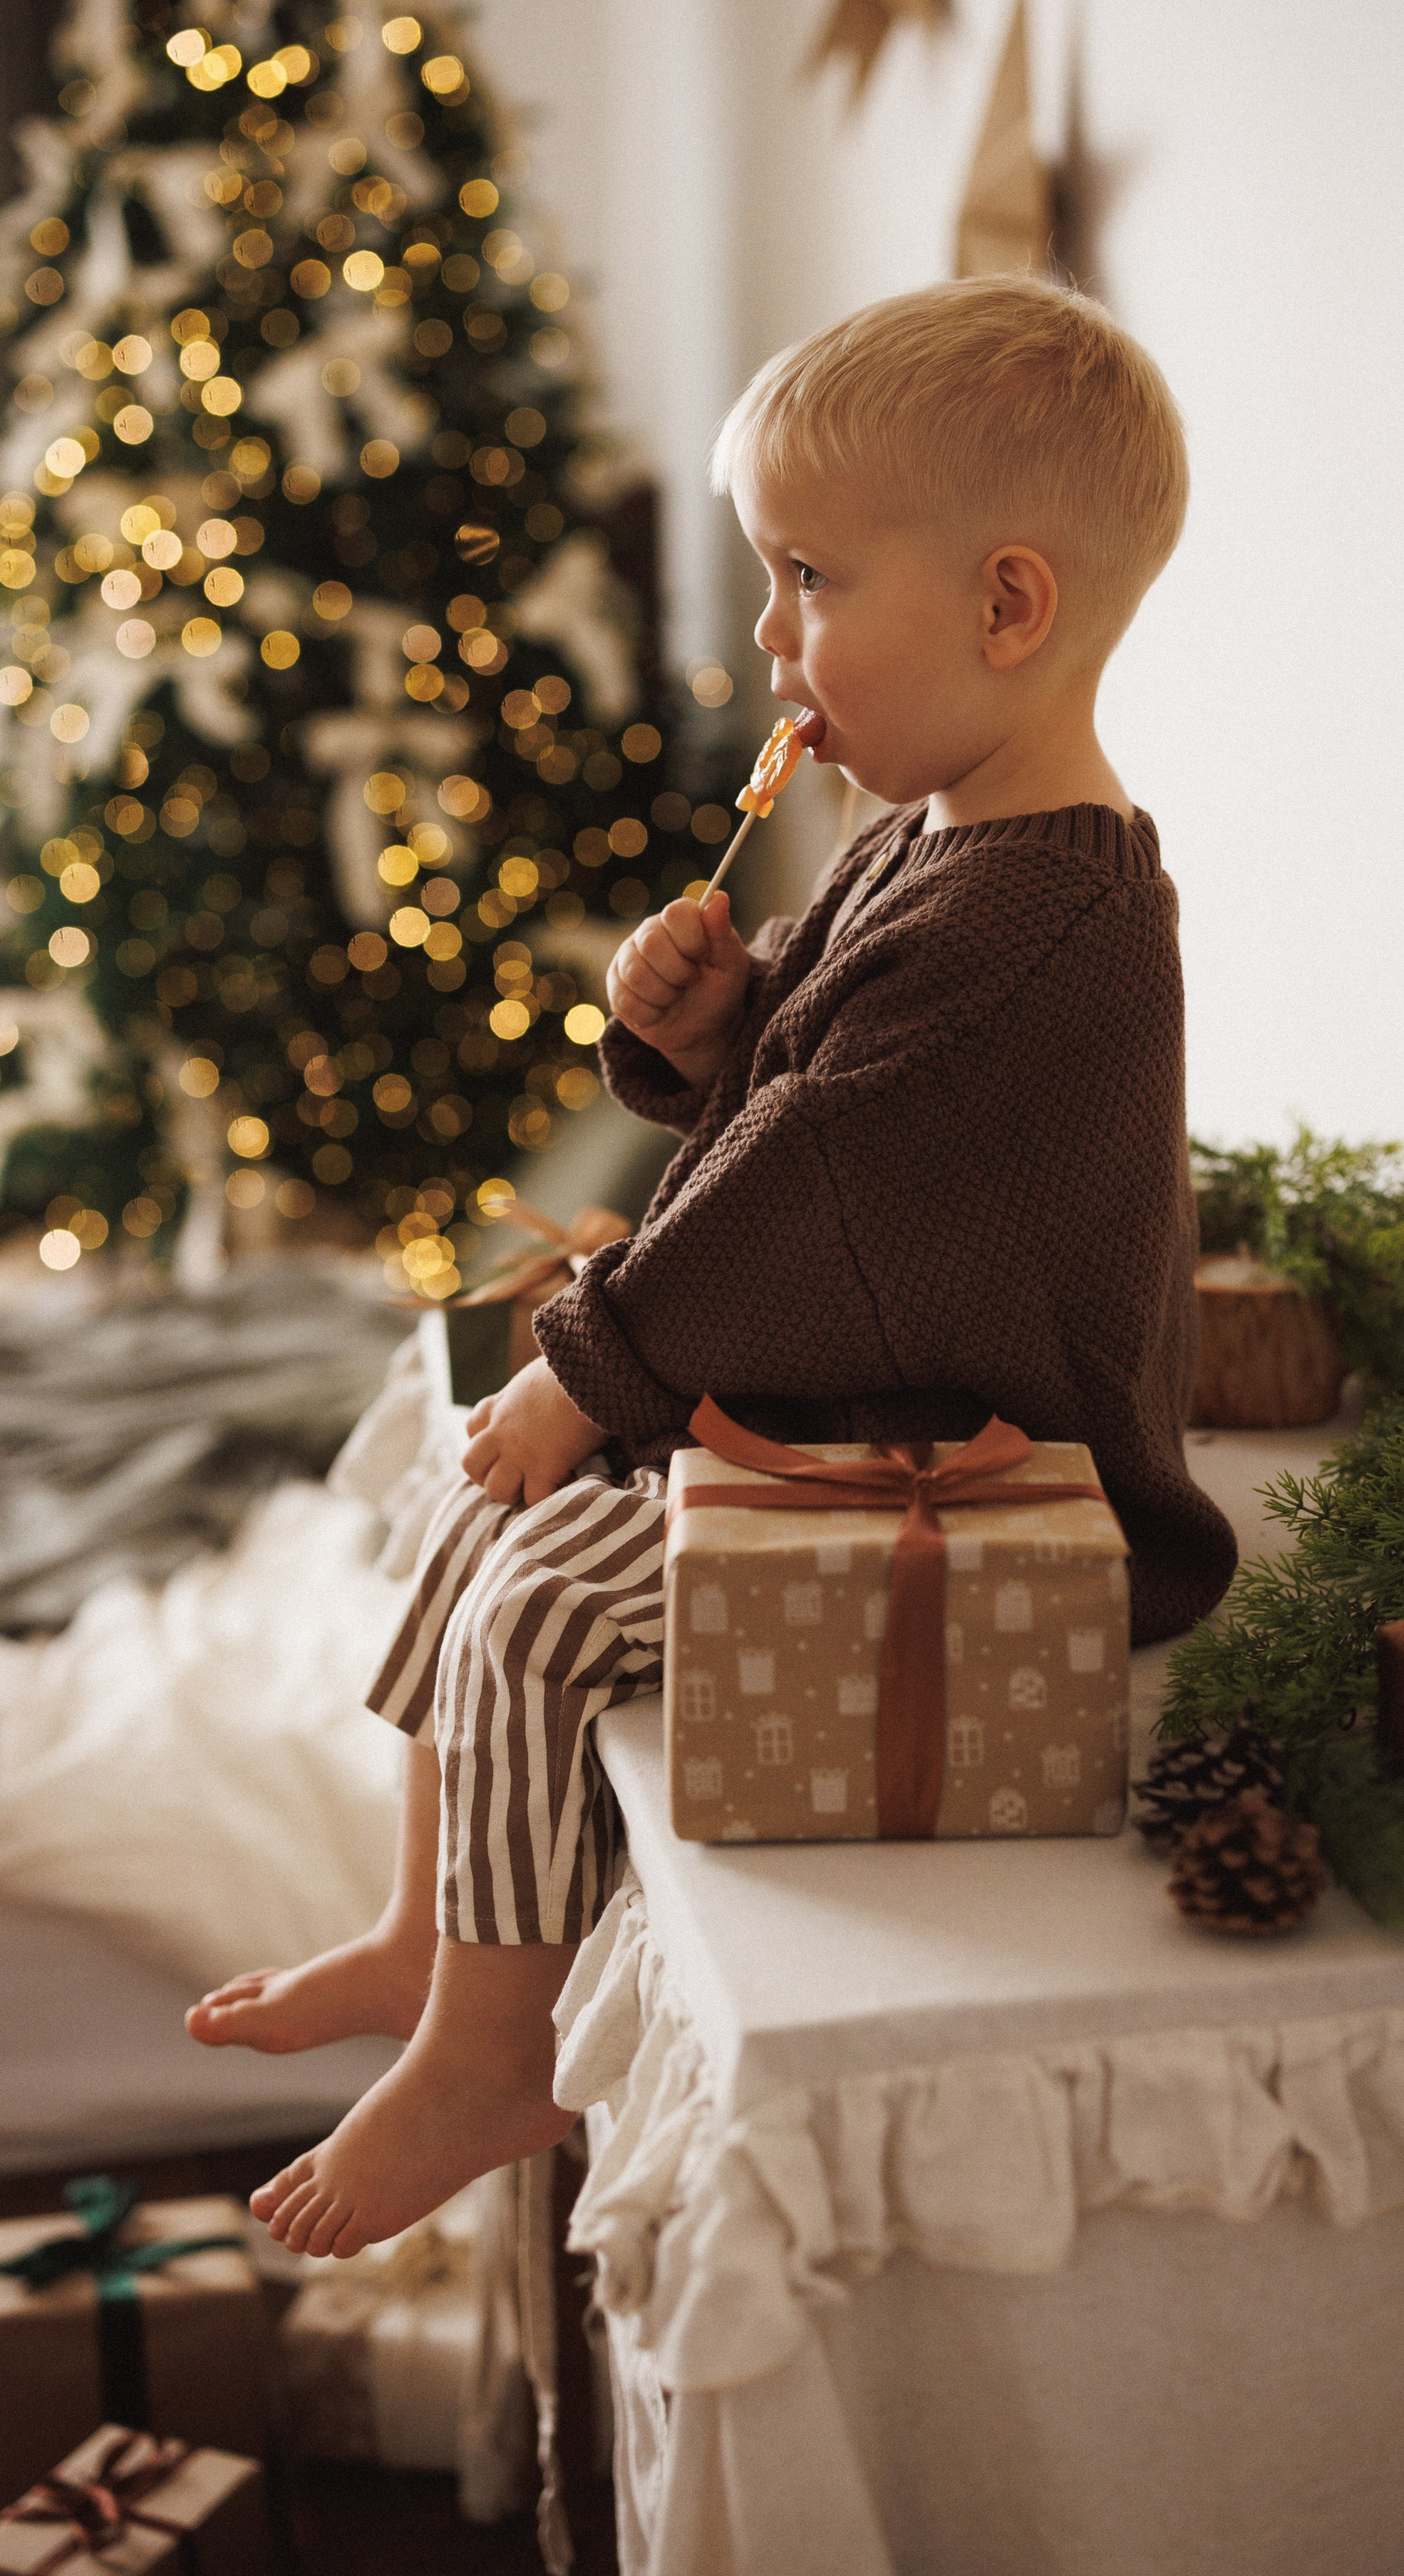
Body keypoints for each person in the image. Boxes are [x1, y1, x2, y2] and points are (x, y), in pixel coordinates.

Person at [187, 274, 1239, 2257]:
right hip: (869, 1393)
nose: (769, 639)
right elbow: (816, 1118)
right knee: (467, 1503)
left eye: (810, 579)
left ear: (1010, 608)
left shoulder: (1051, 911)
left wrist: (593, 1362)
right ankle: (431, 1933)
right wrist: (704, 1039)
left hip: (1005, 1470)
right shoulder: (922, 834)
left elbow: (823, 1183)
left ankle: (495, 2056)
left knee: (542, 1604)